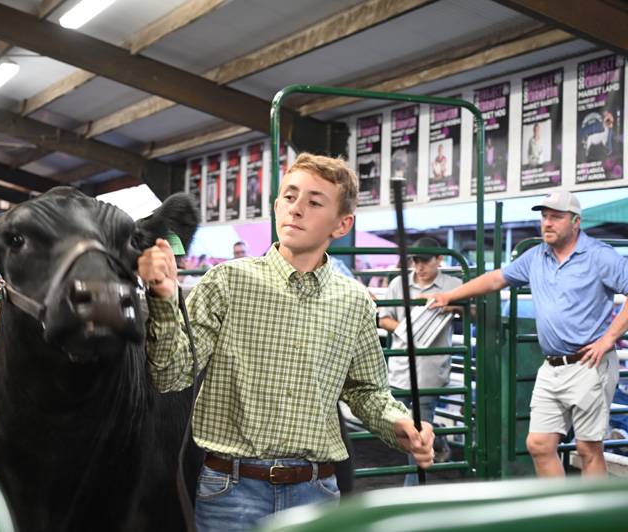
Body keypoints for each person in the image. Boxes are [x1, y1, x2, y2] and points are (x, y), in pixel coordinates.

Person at [138, 152, 434, 530]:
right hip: (230, 490)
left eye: (314, 202)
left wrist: (400, 425)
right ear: (277, 204)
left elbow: (367, 391)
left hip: (318, 490)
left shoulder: (355, 301)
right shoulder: (225, 283)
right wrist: (163, 299)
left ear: (342, 224)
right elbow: (171, 376)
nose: (296, 209)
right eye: (290, 196)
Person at [430, 191, 628, 477]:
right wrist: (450, 294)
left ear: (575, 222)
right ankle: (560, 515)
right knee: (538, 443)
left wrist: (608, 339)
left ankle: (586, 518)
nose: (547, 223)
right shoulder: (536, 256)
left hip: (590, 363)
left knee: (587, 449)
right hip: (551, 365)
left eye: (556, 217)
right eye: (544, 216)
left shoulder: (600, 256)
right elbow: (497, 278)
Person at [378, 236, 461, 485]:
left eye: (424, 261)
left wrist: (454, 306)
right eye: (416, 261)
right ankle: (438, 439)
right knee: (405, 425)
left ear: (439, 259)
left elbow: (478, 309)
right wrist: (406, 331)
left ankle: (412, 488)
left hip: (431, 371)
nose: (419, 266)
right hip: (401, 369)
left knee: (417, 432)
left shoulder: (453, 285)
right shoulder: (397, 284)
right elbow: (383, 317)